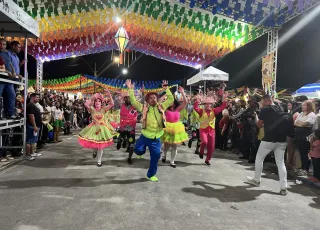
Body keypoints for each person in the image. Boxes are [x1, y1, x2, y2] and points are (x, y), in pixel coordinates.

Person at [125, 79, 174, 182]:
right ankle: (141, 152)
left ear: (157, 98)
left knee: (155, 157)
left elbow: (170, 100)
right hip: (145, 136)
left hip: (156, 138)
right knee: (137, 150)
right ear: (147, 100)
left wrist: (166, 88)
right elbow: (133, 101)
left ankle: (151, 174)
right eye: (150, 98)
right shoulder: (143, 107)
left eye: (154, 97)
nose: (153, 99)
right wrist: (130, 89)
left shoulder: (161, 107)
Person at [247, 94, 294, 195]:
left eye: (262, 102)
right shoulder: (280, 107)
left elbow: (259, 124)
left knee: (259, 158)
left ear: (265, 101)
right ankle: (283, 187)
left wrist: (256, 116)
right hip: (282, 140)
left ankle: (256, 180)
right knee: (280, 163)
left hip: (269, 139)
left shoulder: (265, 109)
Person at [78, 90, 116, 166]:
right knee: (94, 144)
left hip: (102, 129)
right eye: (96, 101)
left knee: (101, 146)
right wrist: (92, 97)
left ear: (101, 102)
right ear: (94, 103)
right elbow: (86, 104)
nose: (97, 102)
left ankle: (99, 161)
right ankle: (94, 151)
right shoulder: (92, 109)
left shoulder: (104, 109)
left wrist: (109, 95)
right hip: (93, 128)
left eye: (99, 101)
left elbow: (112, 104)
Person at [193, 85, 227, 166]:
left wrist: (224, 99)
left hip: (211, 130)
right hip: (203, 130)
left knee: (211, 146)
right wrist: (198, 100)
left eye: (209, 104)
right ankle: (201, 151)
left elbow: (222, 107)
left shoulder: (214, 111)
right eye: (206, 104)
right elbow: (195, 108)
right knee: (204, 142)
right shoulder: (201, 111)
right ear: (204, 105)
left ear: (211, 105)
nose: (208, 106)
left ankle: (207, 160)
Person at [161, 86, 188, 168]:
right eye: (169, 100)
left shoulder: (178, 109)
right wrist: (165, 92)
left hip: (176, 128)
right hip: (167, 128)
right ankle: (164, 155)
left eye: (172, 100)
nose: (171, 102)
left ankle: (172, 161)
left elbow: (185, 102)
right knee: (166, 145)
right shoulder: (165, 109)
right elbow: (159, 103)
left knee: (174, 146)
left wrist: (182, 92)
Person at [294, 100, 316, 176]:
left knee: (306, 152)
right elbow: (295, 123)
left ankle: (306, 169)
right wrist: (301, 124)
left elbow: (306, 123)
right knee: (301, 151)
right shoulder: (301, 114)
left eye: (304, 105)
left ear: (309, 106)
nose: (302, 107)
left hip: (306, 135)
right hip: (299, 134)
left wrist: (300, 123)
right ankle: (302, 167)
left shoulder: (312, 114)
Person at [117, 91, 138, 164]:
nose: (127, 99)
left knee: (131, 144)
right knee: (118, 139)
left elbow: (142, 103)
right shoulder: (121, 105)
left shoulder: (135, 106)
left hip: (131, 129)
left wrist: (143, 94)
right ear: (124, 99)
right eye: (126, 98)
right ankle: (120, 141)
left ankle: (129, 158)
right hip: (122, 128)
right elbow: (115, 102)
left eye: (129, 98)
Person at [0, 39, 18, 119]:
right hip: (1, 78)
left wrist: (14, 72)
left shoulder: (7, 53)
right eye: (0, 44)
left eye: (4, 44)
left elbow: (10, 63)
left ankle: (10, 114)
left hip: (9, 79)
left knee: (12, 95)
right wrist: (7, 71)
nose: (2, 46)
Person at [26, 93, 42, 161]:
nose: (38, 98)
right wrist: (34, 126)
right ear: (32, 97)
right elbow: (31, 116)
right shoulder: (30, 105)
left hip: (36, 125)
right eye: (37, 97)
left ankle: (32, 153)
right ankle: (28, 155)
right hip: (31, 126)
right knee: (29, 141)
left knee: (33, 140)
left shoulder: (34, 105)